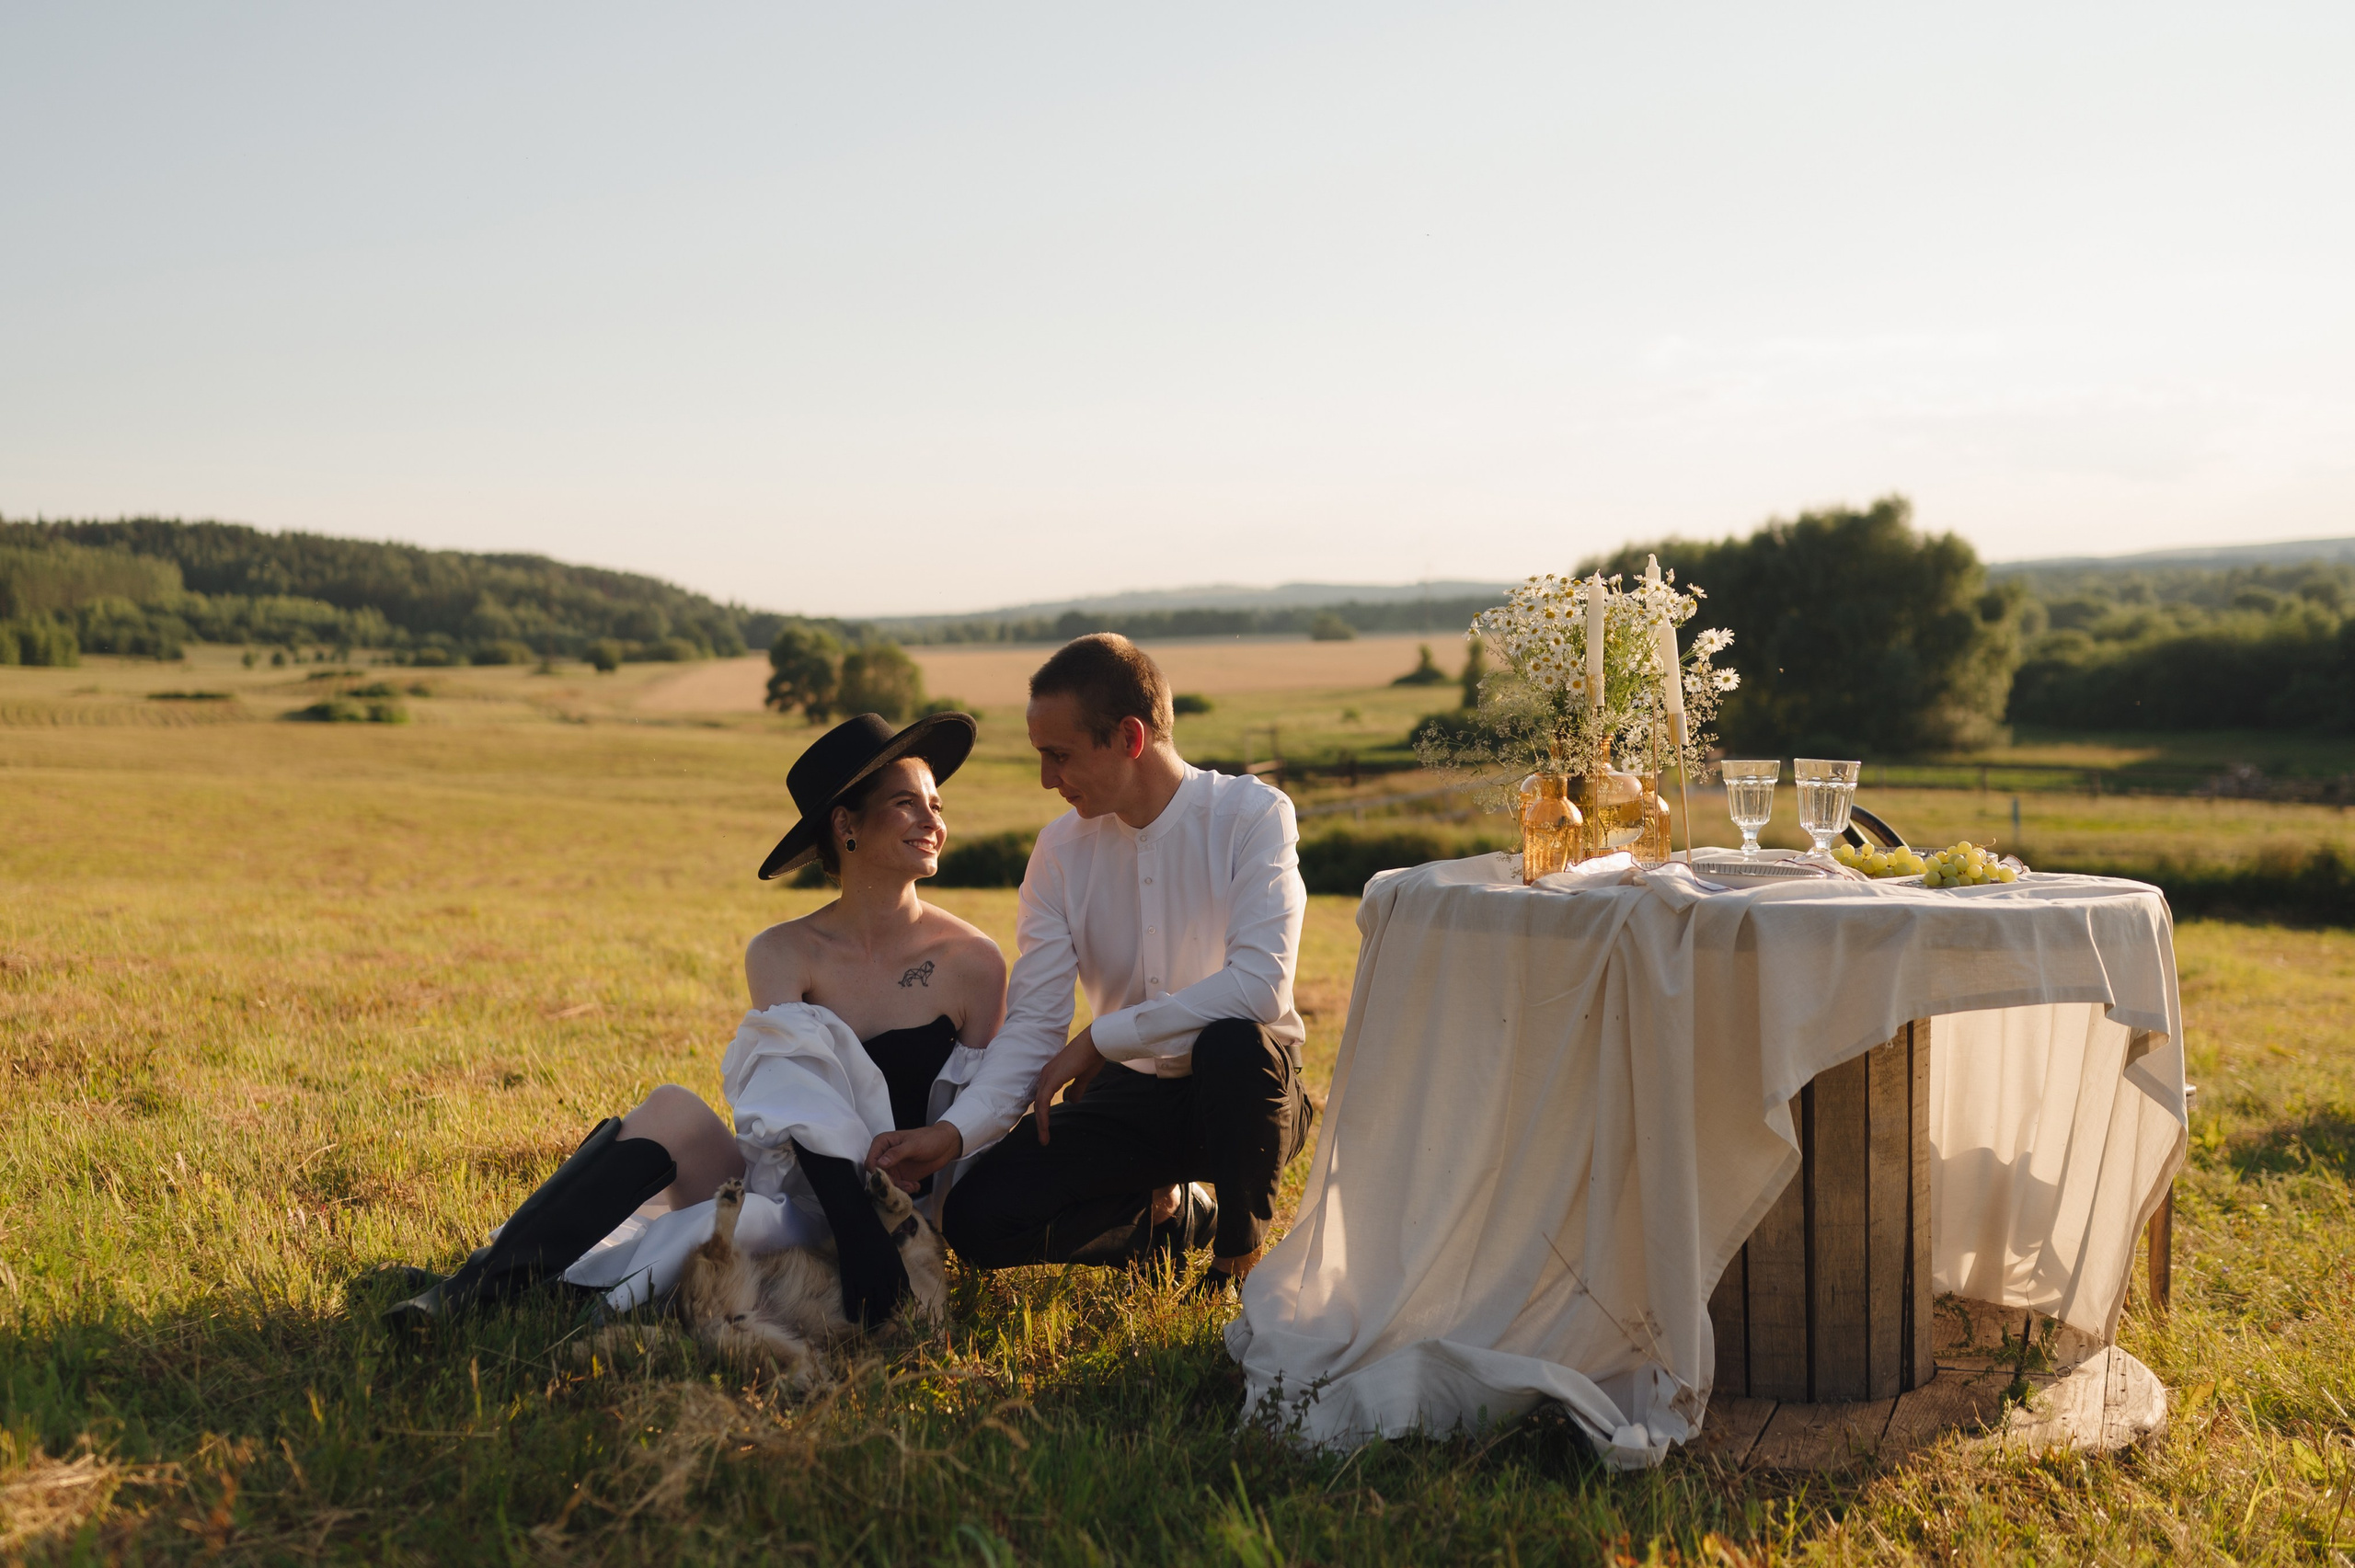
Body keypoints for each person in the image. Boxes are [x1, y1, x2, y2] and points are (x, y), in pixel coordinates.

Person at [381, 710, 1005, 1333]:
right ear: (846, 823)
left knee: (721, 1233)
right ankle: (475, 1289)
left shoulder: (971, 961)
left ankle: (535, 1288)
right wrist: (846, 1218)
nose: (934, 822)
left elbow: (985, 1113)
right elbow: (795, 1089)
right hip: (801, 1198)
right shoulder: (784, 950)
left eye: (937, 804)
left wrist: (919, 1237)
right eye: (907, 803)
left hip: (898, 1214)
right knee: (673, 1107)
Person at [868, 634, 1315, 1297]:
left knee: (1233, 1043)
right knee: (978, 1217)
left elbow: (1258, 987)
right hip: (1129, 1099)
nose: (1048, 779)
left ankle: (1235, 1257)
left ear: (1129, 738)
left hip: (1249, 1098)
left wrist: (1104, 1036)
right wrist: (954, 1133)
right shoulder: (1058, 851)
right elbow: (1035, 1024)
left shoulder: (1253, 814)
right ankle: (1168, 1218)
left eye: (1059, 755)